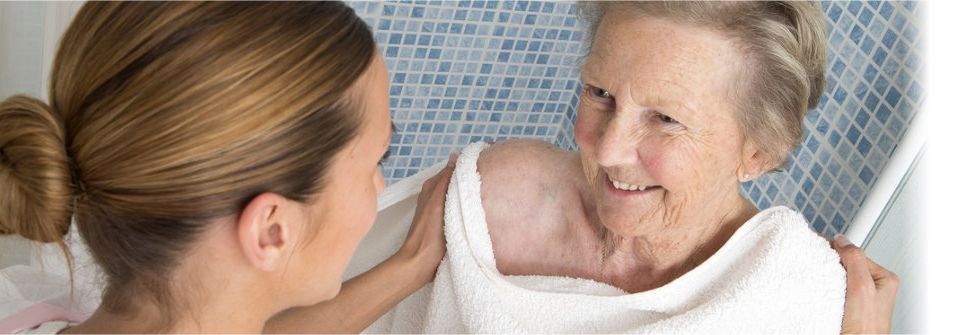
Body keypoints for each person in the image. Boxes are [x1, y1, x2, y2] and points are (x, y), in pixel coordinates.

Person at [359, 1, 902, 332]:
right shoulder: (492, 200)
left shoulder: (801, 302)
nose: (609, 148)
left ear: (760, 150)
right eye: (599, 92)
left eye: (665, 118)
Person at [0, 2, 448, 333]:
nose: (381, 185)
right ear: (272, 230)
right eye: (377, 160)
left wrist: (411, 265)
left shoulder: (14, 316)